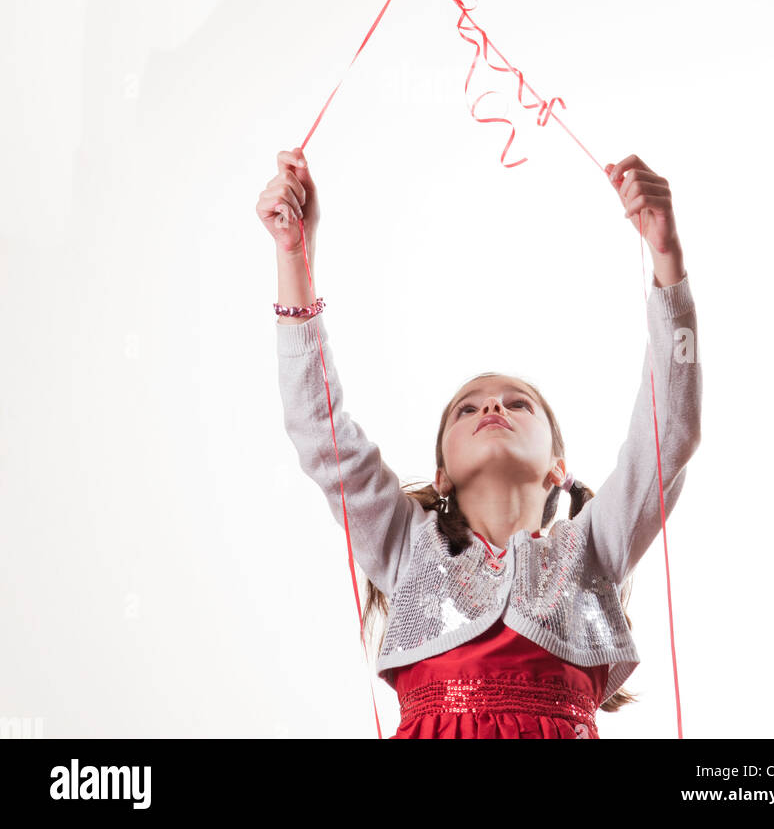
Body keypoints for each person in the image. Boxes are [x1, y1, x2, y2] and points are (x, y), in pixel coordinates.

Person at [257, 147, 702, 739]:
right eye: (468, 408)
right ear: (440, 474)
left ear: (557, 469)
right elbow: (320, 432)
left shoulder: (593, 546)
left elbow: (668, 433)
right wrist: (295, 257)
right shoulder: (405, 548)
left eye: (519, 403)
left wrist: (666, 259)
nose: (493, 406)